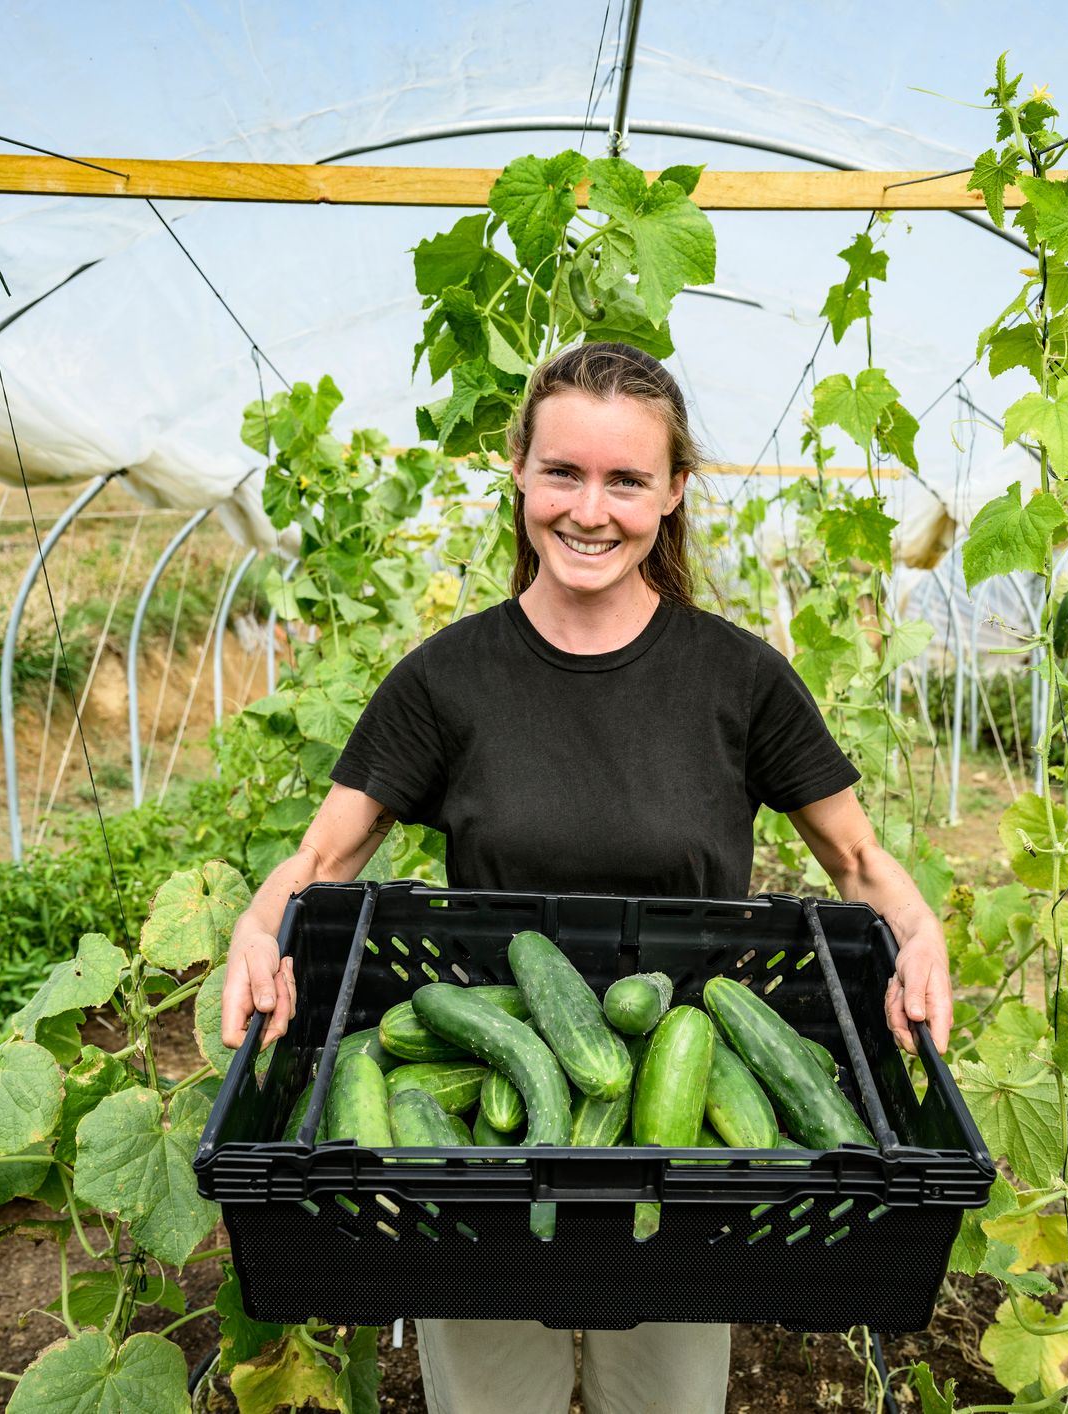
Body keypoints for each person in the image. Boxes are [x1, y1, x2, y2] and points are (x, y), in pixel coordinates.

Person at [219, 341, 953, 1414]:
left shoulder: (738, 677)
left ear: (674, 493)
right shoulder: (447, 678)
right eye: (563, 472)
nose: (589, 509)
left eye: (625, 479)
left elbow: (856, 857)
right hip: (484, 1161)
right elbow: (326, 856)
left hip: (683, 1148)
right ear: (518, 471)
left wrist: (920, 935)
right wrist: (254, 928)